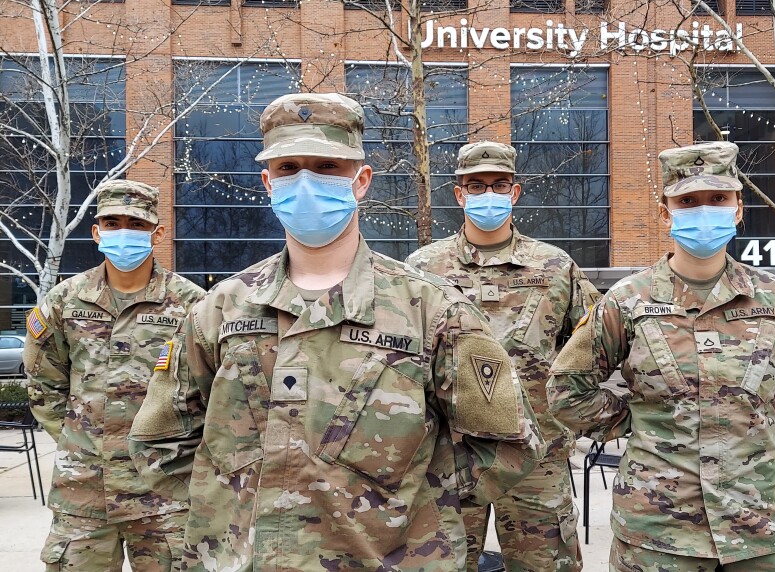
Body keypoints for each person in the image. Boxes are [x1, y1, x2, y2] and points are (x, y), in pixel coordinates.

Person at [128, 93, 544, 571]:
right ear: (268, 182)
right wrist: (229, 504)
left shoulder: (432, 308)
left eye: (327, 166)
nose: (306, 182)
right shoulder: (222, 308)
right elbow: (159, 440)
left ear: (360, 180)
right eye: (288, 168)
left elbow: (509, 445)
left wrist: (408, 506)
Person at [547, 141, 775, 571]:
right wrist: (636, 420)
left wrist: (753, 419)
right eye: (687, 201)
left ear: (738, 208)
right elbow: (566, 390)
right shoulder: (627, 301)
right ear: (665, 212)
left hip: (763, 525)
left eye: (717, 198)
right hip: (658, 528)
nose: (703, 210)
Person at [406, 141, 597, 571]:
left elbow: (592, 350)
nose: (487, 193)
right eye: (476, 185)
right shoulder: (422, 269)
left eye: (499, 184)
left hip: (537, 457)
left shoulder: (555, 267)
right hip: (450, 456)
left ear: (515, 192)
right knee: (442, 563)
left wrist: (575, 417)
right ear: (459, 193)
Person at [24, 180, 205, 571]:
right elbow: (45, 387)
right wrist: (85, 442)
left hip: (165, 494)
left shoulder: (194, 305)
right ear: (96, 231)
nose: (124, 231)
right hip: (84, 495)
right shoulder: (65, 300)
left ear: (157, 232)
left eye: (136, 224)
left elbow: (209, 396)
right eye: (112, 221)